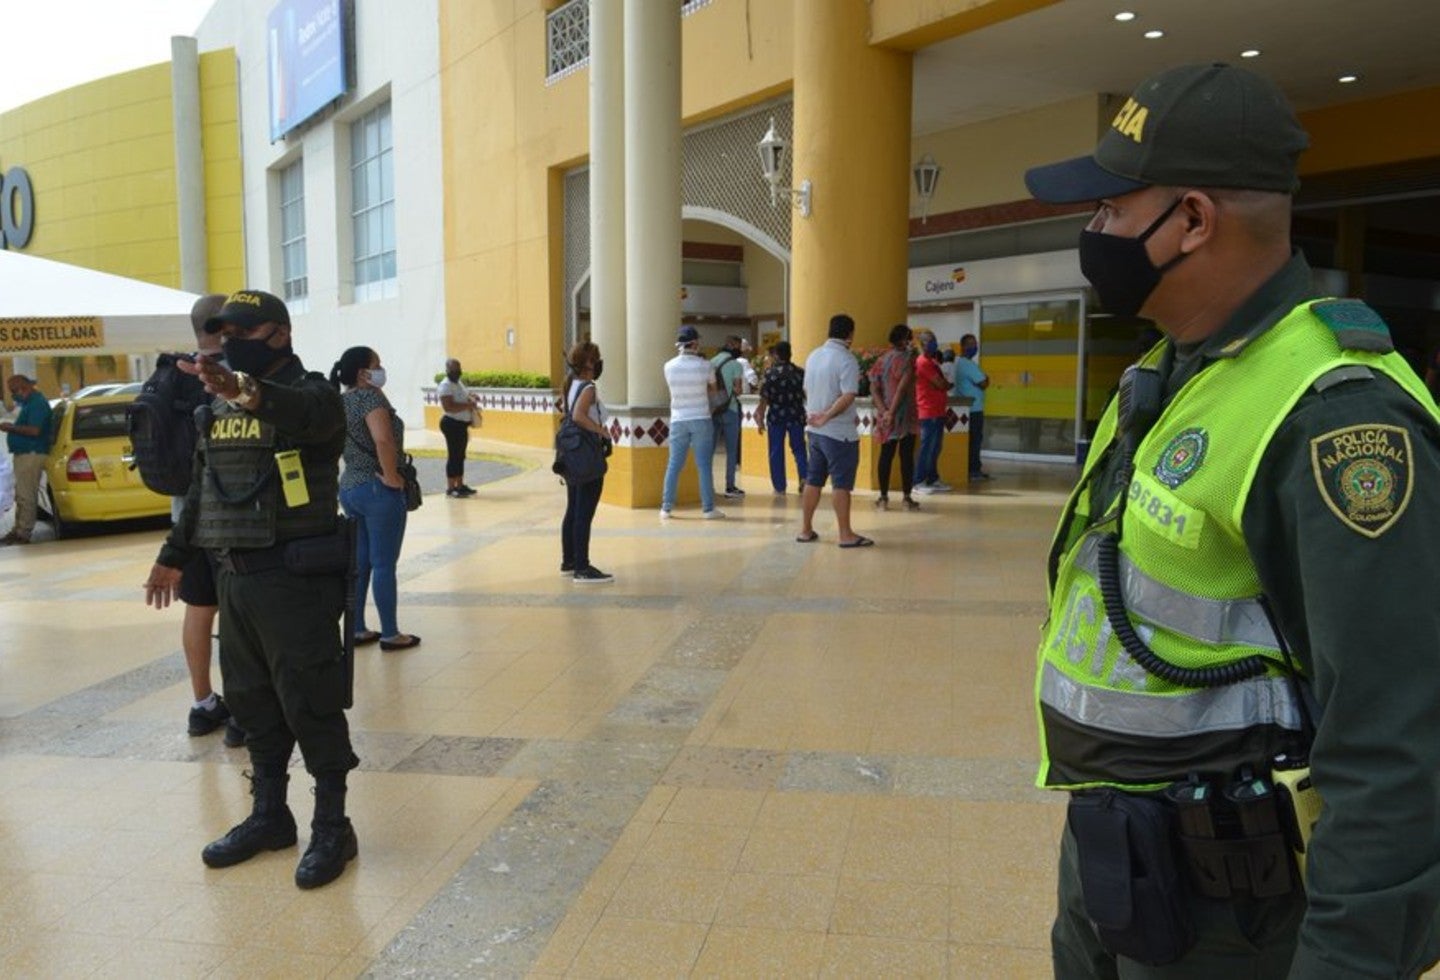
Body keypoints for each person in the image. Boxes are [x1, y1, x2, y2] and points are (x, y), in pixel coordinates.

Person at [1024, 62, 1440, 978]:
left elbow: (1397, 745)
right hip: (1123, 866)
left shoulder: (1336, 417)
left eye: (1111, 209)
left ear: (1194, 221)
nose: (1092, 231)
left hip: (1240, 916)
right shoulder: (1178, 370)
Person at [142, 289, 360, 890]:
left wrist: (242, 388)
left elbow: (295, 410)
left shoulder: (315, 396)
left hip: (294, 580)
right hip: (234, 579)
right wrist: (172, 557)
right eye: (223, 331)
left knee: (310, 703)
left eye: (242, 331)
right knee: (252, 704)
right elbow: (202, 489)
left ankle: (334, 826)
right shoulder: (213, 411)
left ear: (280, 335)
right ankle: (270, 816)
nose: (228, 341)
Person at [174, 293, 245, 746]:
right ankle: (242, 710)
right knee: (239, 612)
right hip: (233, 513)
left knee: (199, 609)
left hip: (185, 514)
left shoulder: (169, 373)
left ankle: (202, 704)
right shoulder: (231, 376)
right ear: (225, 327)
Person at [332, 346, 421, 652]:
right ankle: (390, 633)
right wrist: (393, 476)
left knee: (361, 562)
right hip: (377, 488)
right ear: (362, 373)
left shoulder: (340, 401)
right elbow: (383, 439)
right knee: (384, 563)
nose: (381, 369)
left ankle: (356, 628)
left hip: (351, 487)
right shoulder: (371, 398)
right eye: (376, 365)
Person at [797, 314, 871, 548]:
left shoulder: (813, 355)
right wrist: (827, 416)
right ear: (850, 334)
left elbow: (807, 389)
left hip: (815, 432)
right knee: (841, 484)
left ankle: (806, 530)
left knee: (813, 480)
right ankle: (845, 535)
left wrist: (816, 414)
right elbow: (848, 395)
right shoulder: (846, 359)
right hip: (838, 433)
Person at [559, 340, 613, 583]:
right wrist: (601, 431)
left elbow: (567, 411)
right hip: (586, 452)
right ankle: (582, 567)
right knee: (584, 512)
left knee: (573, 509)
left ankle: (569, 560)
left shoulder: (571, 383)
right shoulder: (588, 387)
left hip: (572, 452)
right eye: (595, 358)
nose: (599, 362)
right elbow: (580, 416)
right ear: (586, 363)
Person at [661, 325, 725, 520]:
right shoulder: (706, 366)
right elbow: (714, 392)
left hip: (678, 420)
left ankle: (666, 508)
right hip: (702, 418)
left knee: (674, 465)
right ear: (695, 343)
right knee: (704, 465)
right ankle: (708, 509)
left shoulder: (668, 366)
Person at [868, 323, 920, 511]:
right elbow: (902, 388)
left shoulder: (882, 360)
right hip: (905, 415)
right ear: (905, 339)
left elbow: (873, 388)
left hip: (886, 417)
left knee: (886, 456)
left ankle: (883, 499)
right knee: (906, 457)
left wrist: (883, 411)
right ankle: (907, 499)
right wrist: (892, 411)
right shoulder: (909, 360)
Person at [0, 374, 54, 545]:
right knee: (22, 494)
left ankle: (23, 533)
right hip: (25, 453)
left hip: (31, 453)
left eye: (14, 391)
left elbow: (34, 430)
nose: (13, 395)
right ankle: (18, 529)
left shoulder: (37, 404)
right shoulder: (29, 404)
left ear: (24, 388)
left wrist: (11, 428)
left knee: (26, 495)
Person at [754, 341, 807, 494]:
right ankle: (804, 478)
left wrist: (760, 418)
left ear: (776, 355)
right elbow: (806, 394)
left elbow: (764, 398)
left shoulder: (770, 373)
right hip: (796, 415)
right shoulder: (800, 373)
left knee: (776, 451)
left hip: (776, 416)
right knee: (799, 449)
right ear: (790, 354)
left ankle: (779, 486)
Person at [911, 334, 952, 494]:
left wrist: (943, 385)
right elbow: (941, 383)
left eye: (935, 341)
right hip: (927, 411)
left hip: (938, 410)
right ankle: (918, 481)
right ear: (922, 344)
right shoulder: (922, 363)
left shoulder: (933, 362)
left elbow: (943, 384)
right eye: (930, 342)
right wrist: (943, 385)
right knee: (926, 447)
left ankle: (932, 479)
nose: (934, 344)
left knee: (935, 447)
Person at [436, 358, 481, 498]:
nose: (457, 372)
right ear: (448, 370)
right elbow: (448, 407)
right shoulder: (445, 386)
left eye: (458, 369)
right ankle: (451, 488)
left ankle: (460, 485)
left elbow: (464, 397)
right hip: (451, 424)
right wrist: (468, 406)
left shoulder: (458, 383)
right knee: (454, 455)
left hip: (461, 425)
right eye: (454, 370)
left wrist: (472, 397)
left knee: (460, 456)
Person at [712, 335, 747, 498]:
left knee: (709, 451)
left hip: (713, 411)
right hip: (730, 410)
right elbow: (738, 390)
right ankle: (730, 487)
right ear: (733, 346)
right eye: (739, 347)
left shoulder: (711, 363)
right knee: (732, 451)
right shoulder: (735, 365)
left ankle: (708, 486)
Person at [953, 333, 991, 481]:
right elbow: (984, 383)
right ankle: (974, 470)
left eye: (974, 344)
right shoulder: (967, 364)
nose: (973, 347)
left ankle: (973, 469)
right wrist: (986, 378)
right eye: (969, 344)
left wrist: (984, 379)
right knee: (974, 441)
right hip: (973, 409)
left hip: (969, 409)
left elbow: (982, 381)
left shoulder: (962, 363)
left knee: (973, 440)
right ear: (962, 347)